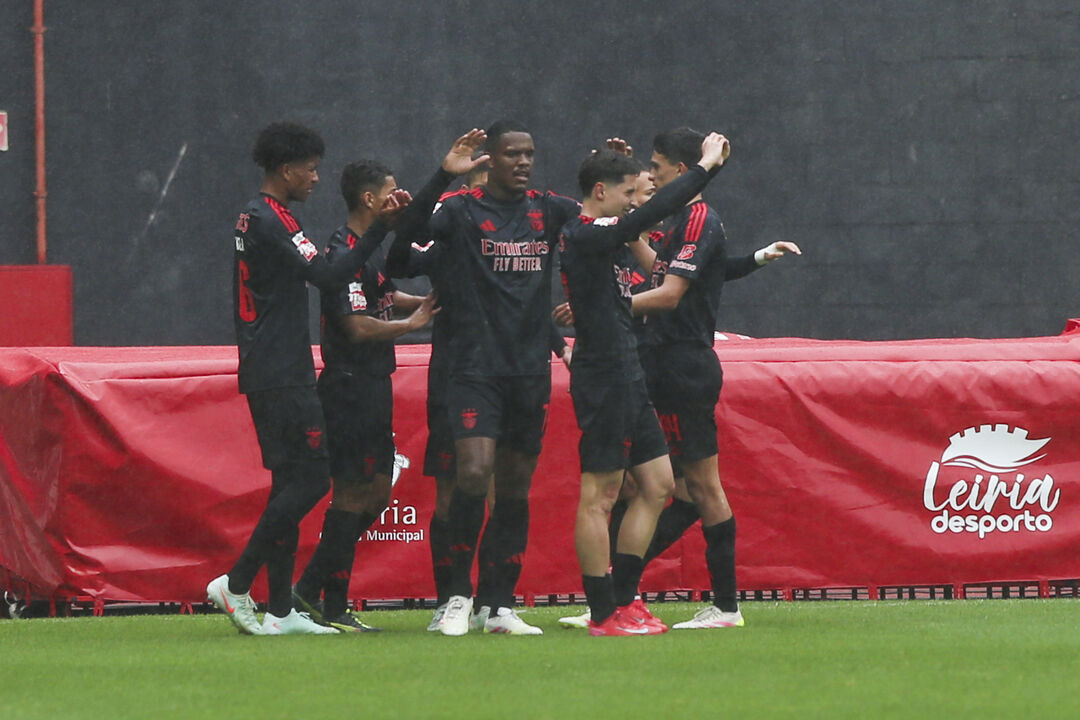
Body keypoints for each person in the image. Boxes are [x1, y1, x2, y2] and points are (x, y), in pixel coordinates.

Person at [207, 121, 405, 636]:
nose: (316, 178)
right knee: (313, 479)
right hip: (281, 370)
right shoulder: (274, 218)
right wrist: (381, 228)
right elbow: (328, 276)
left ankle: (280, 609)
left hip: (269, 365)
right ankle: (236, 582)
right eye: (311, 169)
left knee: (288, 485)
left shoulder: (253, 218)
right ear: (287, 169)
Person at [390, 120, 579, 636]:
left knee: (514, 491)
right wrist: (440, 178)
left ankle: (496, 606)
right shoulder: (458, 210)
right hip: (471, 369)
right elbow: (399, 251)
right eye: (513, 154)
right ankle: (454, 596)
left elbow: (611, 224)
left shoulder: (549, 209)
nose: (523, 162)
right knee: (472, 475)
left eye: (530, 154)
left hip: (527, 372)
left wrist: (622, 178)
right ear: (488, 161)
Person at [558, 133, 731, 635]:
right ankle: (601, 612)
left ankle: (625, 597)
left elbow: (643, 228)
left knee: (657, 486)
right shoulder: (584, 233)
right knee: (601, 493)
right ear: (598, 192)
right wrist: (704, 169)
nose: (638, 201)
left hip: (629, 370)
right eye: (629, 192)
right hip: (601, 374)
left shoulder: (608, 232)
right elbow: (640, 217)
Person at [630, 126, 800, 629]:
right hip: (665, 363)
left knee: (702, 488)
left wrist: (602, 309)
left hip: (684, 365)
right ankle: (621, 593)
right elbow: (684, 271)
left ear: (681, 171)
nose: (651, 173)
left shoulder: (700, 217)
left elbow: (670, 293)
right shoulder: (680, 219)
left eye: (657, 165)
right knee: (672, 489)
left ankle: (725, 606)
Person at [290, 160, 438, 632]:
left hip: (374, 384)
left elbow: (385, 295)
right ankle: (330, 604)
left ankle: (310, 589)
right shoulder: (342, 251)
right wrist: (411, 327)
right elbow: (354, 326)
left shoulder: (371, 252)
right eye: (392, 192)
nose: (401, 198)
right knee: (353, 493)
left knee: (375, 494)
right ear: (370, 200)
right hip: (349, 386)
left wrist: (431, 302)